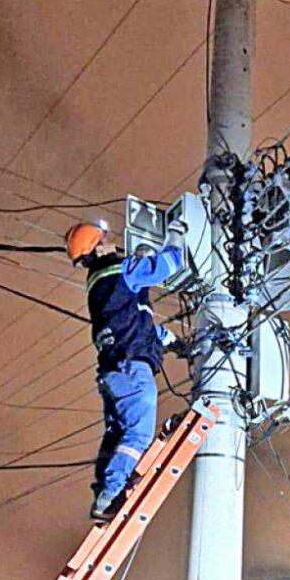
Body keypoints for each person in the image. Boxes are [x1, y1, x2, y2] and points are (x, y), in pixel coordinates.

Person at [64, 222, 190, 522]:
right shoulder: (123, 270)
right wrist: (176, 235)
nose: (110, 241)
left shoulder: (101, 286)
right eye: (104, 238)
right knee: (137, 434)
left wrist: (175, 343)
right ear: (98, 247)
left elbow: (137, 327)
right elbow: (169, 263)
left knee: (116, 433)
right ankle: (111, 494)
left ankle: (104, 494)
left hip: (113, 371)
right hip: (131, 370)